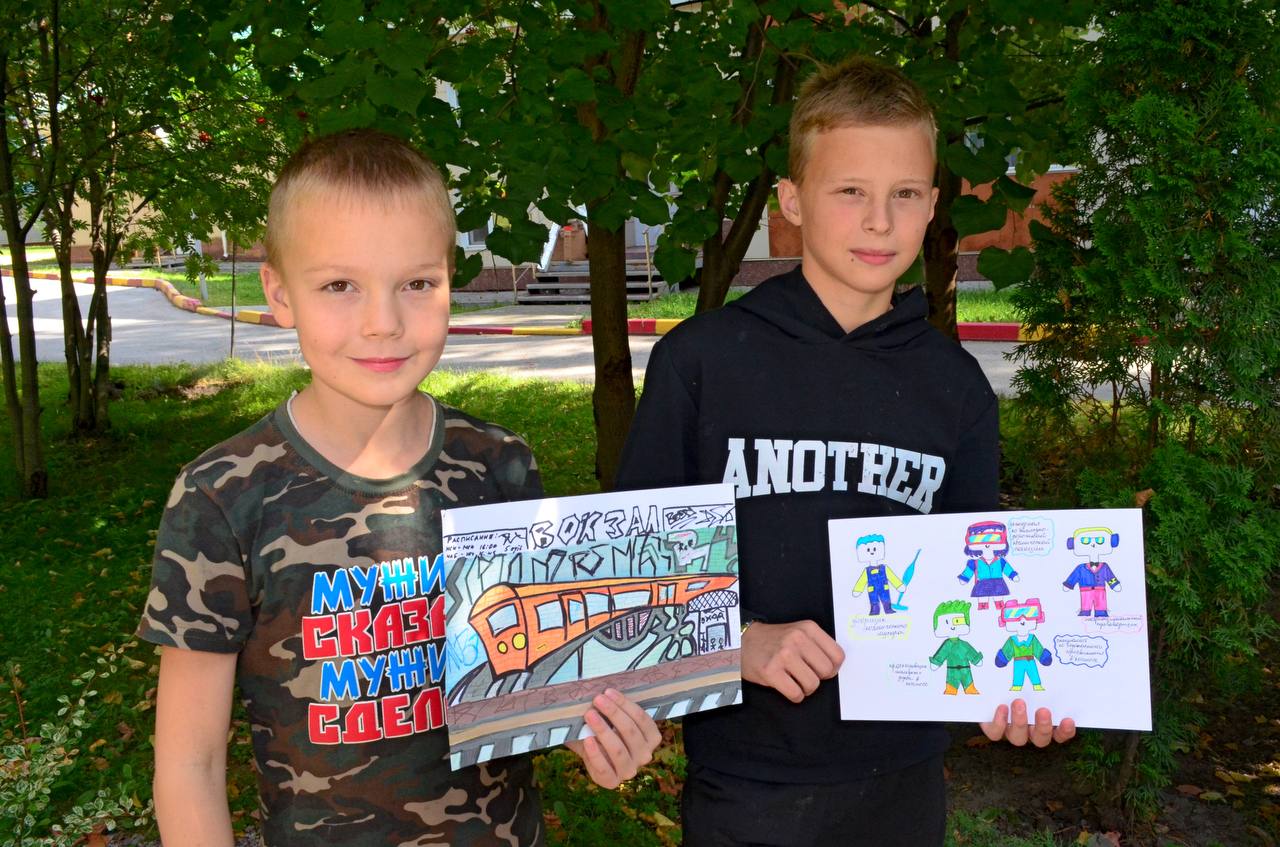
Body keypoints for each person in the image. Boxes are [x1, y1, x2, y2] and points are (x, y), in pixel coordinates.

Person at [138, 129, 660, 846]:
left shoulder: (501, 465)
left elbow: (538, 677)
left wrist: (595, 732)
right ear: (280, 293)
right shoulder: (221, 495)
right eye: (339, 285)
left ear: (450, 280)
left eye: (416, 283)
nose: (383, 323)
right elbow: (188, 766)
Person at [615, 56, 1074, 846]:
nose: (879, 222)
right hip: (746, 779)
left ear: (933, 205)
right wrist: (741, 639)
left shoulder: (956, 388)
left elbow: (982, 592)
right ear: (792, 200)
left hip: (902, 783)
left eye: (905, 194)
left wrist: (1014, 691)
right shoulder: (703, 362)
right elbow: (632, 582)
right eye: (850, 191)